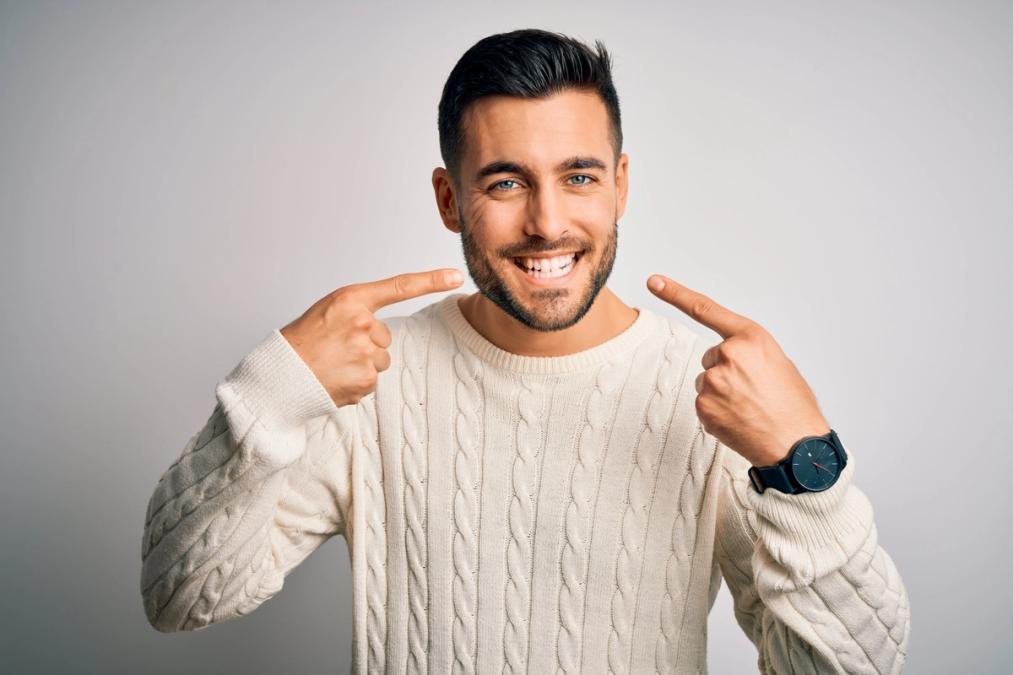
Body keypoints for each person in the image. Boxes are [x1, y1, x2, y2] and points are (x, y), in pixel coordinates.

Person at [140, 28, 910, 674]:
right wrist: (275, 389)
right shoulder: (369, 379)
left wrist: (803, 464)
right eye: (506, 183)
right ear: (450, 200)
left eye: (578, 176)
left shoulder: (709, 393)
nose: (547, 221)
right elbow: (180, 597)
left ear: (620, 186)